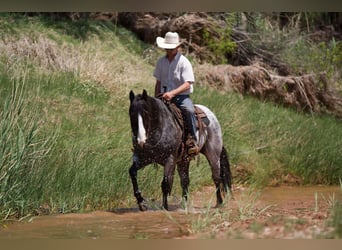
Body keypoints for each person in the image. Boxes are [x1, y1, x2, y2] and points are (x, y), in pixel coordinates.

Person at [153, 31, 199, 155]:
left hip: (180, 97)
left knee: (188, 110)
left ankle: (192, 140)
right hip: (163, 96)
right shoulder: (161, 62)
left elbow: (188, 83)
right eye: (167, 48)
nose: (168, 51)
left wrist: (172, 93)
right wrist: (156, 96)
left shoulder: (184, 62)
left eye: (171, 48)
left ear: (177, 47)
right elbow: (158, 81)